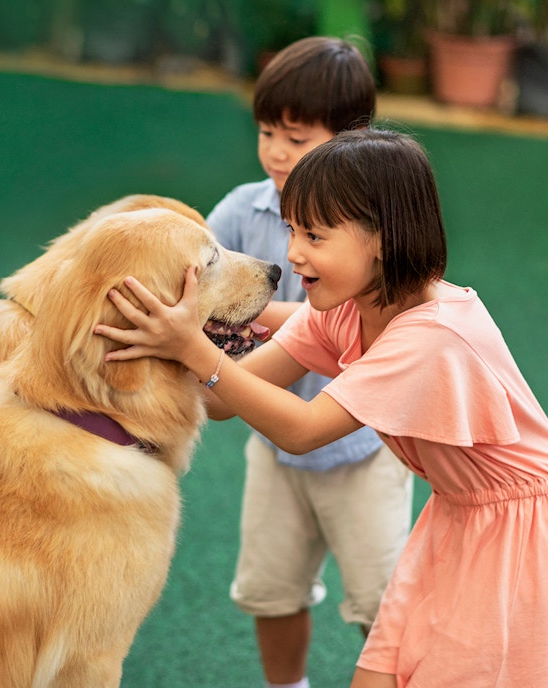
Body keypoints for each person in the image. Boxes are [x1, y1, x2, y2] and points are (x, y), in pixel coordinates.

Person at [96, 128, 548, 687]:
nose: (292, 253)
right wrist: (187, 334)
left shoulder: (429, 336)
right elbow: (220, 402)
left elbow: (303, 428)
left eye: (314, 234)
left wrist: (193, 346)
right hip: (459, 514)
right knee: (380, 676)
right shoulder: (350, 307)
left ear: (382, 238)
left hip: (523, 534)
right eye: (292, 230)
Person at [204, 36, 413, 688]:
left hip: (363, 452)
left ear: (353, 138)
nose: (274, 151)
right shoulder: (242, 212)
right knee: (271, 590)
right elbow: (199, 285)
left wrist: (227, 328)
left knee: (384, 606)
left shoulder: (375, 226)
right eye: (267, 131)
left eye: (295, 137)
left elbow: (344, 323)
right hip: (274, 450)